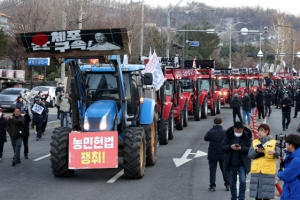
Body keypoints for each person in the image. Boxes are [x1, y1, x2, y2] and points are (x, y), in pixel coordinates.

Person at [248, 124, 280, 200]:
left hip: (268, 171)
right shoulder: (254, 142)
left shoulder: (275, 142)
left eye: (262, 130)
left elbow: (280, 155)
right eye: (259, 130)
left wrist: (275, 152)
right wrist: (256, 151)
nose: (259, 132)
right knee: (257, 196)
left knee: (266, 196)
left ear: (267, 131)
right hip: (256, 172)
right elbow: (250, 155)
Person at [222, 121, 252, 200]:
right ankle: (234, 198)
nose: (238, 132)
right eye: (236, 131)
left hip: (242, 163)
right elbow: (223, 147)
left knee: (242, 182)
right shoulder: (229, 136)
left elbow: (250, 149)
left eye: (240, 131)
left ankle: (241, 198)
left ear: (243, 129)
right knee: (232, 183)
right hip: (231, 163)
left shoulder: (247, 136)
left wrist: (241, 148)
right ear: (233, 129)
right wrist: (230, 147)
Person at [204, 117, 230, 191]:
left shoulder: (210, 132)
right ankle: (227, 184)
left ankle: (212, 185)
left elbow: (206, 138)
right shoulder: (225, 132)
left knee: (212, 170)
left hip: (212, 153)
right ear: (221, 123)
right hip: (223, 153)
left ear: (214, 124)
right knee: (225, 170)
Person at [277, 134, 300, 200]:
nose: (285, 145)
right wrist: (283, 163)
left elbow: (286, 176)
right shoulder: (294, 156)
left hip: (294, 192)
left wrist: (279, 173)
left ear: (291, 145)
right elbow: (292, 168)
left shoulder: (297, 159)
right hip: (292, 189)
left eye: (286, 143)